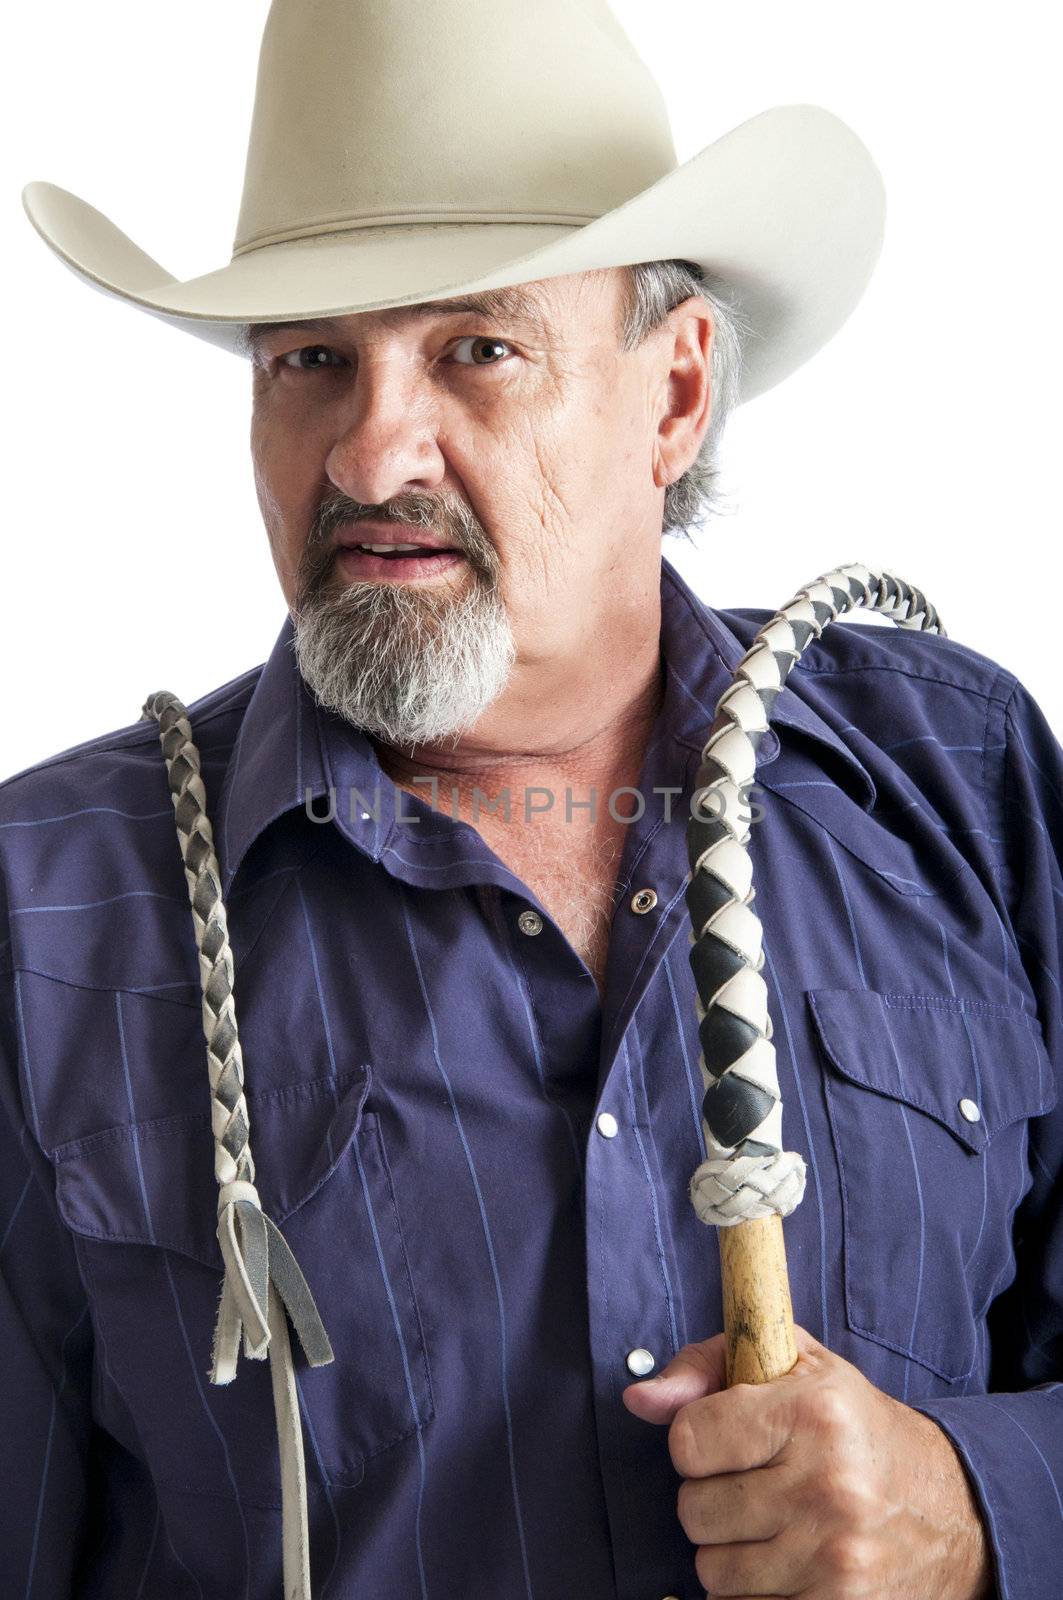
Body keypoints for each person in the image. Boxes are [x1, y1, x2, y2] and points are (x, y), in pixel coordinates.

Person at [4, 1, 1060, 1596]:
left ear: (678, 394)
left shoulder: (954, 781)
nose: (369, 455)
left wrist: (984, 1509)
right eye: (307, 359)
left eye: (475, 348)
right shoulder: (47, 902)